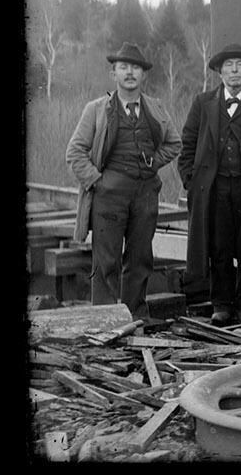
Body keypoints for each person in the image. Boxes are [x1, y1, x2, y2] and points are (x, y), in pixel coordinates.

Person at [65, 42, 183, 318]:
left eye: (136, 68)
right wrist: (97, 181)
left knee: (140, 258)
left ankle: (135, 316)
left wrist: (153, 161)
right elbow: (75, 151)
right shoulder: (96, 109)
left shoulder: (155, 108)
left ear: (143, 74)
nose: (130, 73)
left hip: (145, 194)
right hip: (109, 196)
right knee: (106, 261)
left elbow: (174, 143)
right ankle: (106, 319)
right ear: (114, 73)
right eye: (123, 67)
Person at [179, 43, 241, 326]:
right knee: (219, 247)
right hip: (214, 188)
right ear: (219, 71)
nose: (234, 71)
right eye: (229, 65)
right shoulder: (203, 102)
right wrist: (192, 182)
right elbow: (188, 144)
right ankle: (222, 304)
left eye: (240, 65)